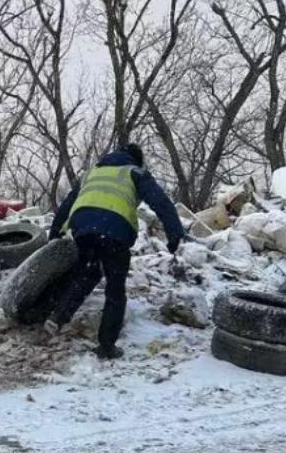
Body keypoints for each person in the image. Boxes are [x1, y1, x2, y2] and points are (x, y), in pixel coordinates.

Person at [47, 143, 185, 360]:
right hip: (115, 229)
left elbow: (67, 204)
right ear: (136, 159)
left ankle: (58, 317)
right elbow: (160, 202)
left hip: (82, 227)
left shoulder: (92, 172)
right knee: (115, 287)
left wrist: (54, 233)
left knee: (88, 272)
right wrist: (174, 232)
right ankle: (106, 345)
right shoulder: (135, 172)